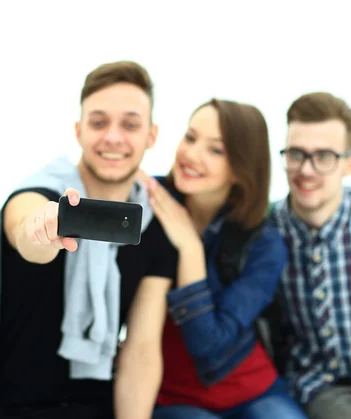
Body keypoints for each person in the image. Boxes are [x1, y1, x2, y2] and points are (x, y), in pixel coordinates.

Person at [0, 61, 177, 419]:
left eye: (130, 125)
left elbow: (141, 349)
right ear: (79, 131)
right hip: (13, 407)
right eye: (98, 122)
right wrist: (42, 228)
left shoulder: (153, 225)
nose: (113, 137)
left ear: (151, 136)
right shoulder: (39, 192)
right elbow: (24, 229)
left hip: (96, 407)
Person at [116, 99, 307, 418]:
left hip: (251, 388)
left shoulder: (264, 244)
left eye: (216, 150)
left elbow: (209, 344)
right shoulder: (150, 203)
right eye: (190, 138)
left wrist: (190, 248)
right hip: (174, 395)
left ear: (242, 167)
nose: (191, 155)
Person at [268, 92, 351, 419]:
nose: (306, 170)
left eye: (324, 157)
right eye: (296, 154)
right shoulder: (266, 231)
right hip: (330, 388)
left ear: (349, 164)